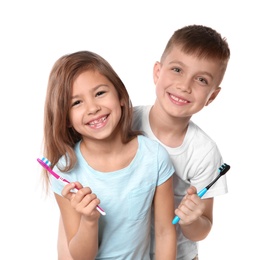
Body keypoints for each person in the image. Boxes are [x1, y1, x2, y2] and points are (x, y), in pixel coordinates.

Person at [58, 24, 230, 260]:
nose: (184, 86)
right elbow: (80, 173)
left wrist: (192, 219)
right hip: (113, 245)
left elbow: (201, 229)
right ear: (157, 72)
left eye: (201, 79)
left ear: (212, 95)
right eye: (177, 69)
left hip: (175, 253)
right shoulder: (119, 121)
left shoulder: (203, 152)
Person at [41, 50, 177, 260]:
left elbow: (165, 232)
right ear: (66, 118)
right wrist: (89, 220)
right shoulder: (64, 172)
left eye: (100, 93)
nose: (93, 108)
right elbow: (81, 257)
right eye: (76, 103)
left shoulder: (154, 157)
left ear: (121, 97)